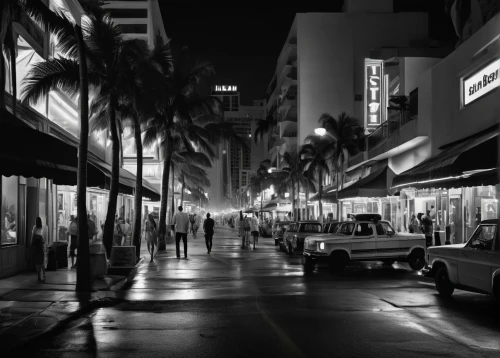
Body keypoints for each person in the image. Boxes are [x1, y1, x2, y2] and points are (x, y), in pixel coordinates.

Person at [31, 217, 46, 283]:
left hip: (36, 246)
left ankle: (39, 276)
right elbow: (43, 237)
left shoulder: (35, 227)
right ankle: (44, 275)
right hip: (41, 245)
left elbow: (32, 237)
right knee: (42, 262)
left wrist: (31, 244)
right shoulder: (42, 227)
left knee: (37, 262)